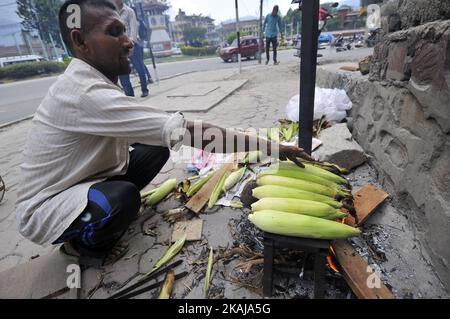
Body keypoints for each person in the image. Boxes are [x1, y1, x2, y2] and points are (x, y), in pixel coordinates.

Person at [15, 0, 312, 266]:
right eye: (115, 32)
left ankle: (102, 205)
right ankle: (83, 248)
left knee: (156, 147)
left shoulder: (94, 81)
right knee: (123, 198)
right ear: (81, 41)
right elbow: (189, 132)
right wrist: (272, 147)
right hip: (47, 206)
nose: (129, 41)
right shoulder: (83, 94)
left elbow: (161, 129)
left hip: (84, 177)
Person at [114, 0, 149, 97]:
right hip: (119, 47)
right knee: (123, 72)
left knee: (139, 68)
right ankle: (130, 96)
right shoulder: (111, 12)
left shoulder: (129, 11)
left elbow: (133, 28)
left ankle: (144, 89)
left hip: (132, 44)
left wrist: (131, 44)